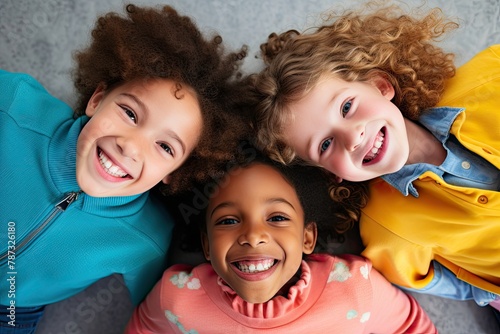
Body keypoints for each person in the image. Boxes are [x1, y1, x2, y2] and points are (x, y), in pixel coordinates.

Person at [0, 4, 249, 333]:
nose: (130, 146)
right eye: (130, 114)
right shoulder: (14, 104)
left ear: (174, 172)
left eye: (165, 147)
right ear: (97, 98)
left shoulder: (147, 241)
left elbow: (155, 316)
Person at [250, 2, 500, 315]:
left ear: (380, 86)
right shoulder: (387, 232)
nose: (353, 137)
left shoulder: (489, 77)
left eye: (346, 108)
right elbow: (445, 283)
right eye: (326, 144)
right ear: (331, 173)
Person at [125, 145, 436, 333]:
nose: (253, 235)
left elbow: (412, 327)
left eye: (277, 218)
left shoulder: (356, 289)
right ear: (206, 245)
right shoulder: (178, 299)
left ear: (307, 237)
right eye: (228, 220)